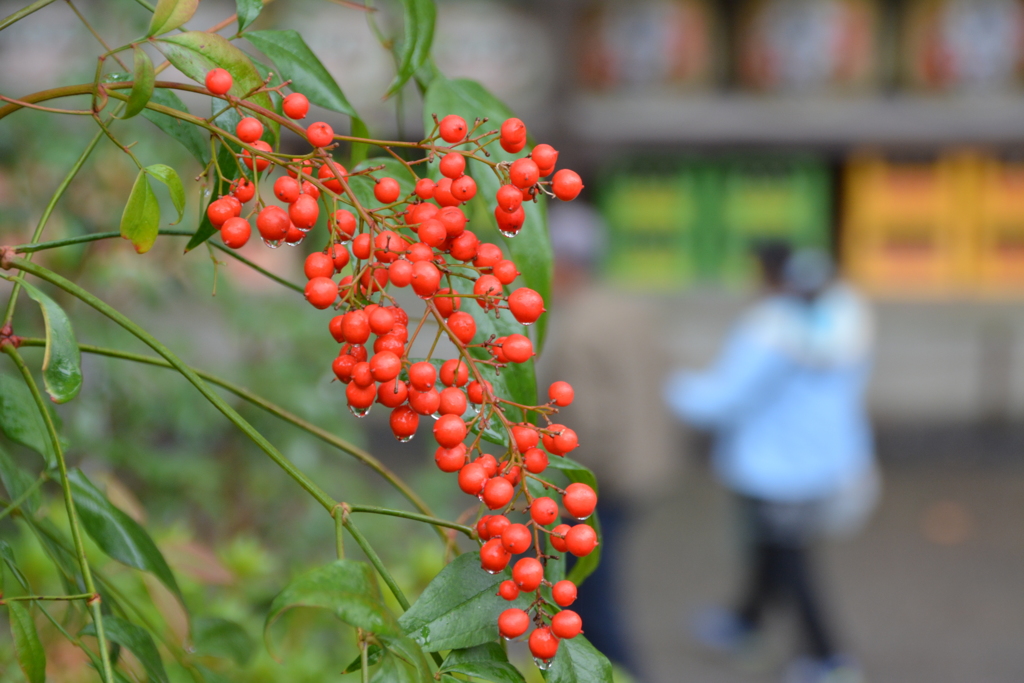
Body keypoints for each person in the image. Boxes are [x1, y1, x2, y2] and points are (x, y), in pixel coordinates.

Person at [664, 241, 876, 683]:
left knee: (789, 559)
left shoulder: (770, 331)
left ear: (769, 276)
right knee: (769, 549)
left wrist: (663, 385)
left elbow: (721, 400)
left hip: (772, 470)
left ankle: (830, 658)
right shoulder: (847, 316)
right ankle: (745, 623)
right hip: (823, 463)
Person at [539, 202, 683, 681]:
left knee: (589, 600)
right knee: (596, 588)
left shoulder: (579, 328)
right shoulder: (631, 310)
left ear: (560, 263)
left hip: (602, 483)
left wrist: (560, 493)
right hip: (645, 469)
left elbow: (585, 424)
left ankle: (626, 672)